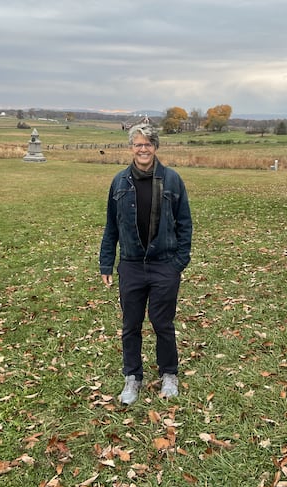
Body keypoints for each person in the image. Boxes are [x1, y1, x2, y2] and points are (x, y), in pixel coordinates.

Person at [99, 123, 192, 405]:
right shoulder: (119, 182)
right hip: (131, 265)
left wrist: (179, 262)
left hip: (165, 264)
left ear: (155, 147)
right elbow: (111, 227)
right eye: (138, 144)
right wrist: (106, 263)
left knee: (162, 322)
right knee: (130, 324)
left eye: (148, 144)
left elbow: (185, 224)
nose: (143, 149)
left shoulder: (172, 180)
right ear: (131, 148)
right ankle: (133, 377)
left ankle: (169, 374)